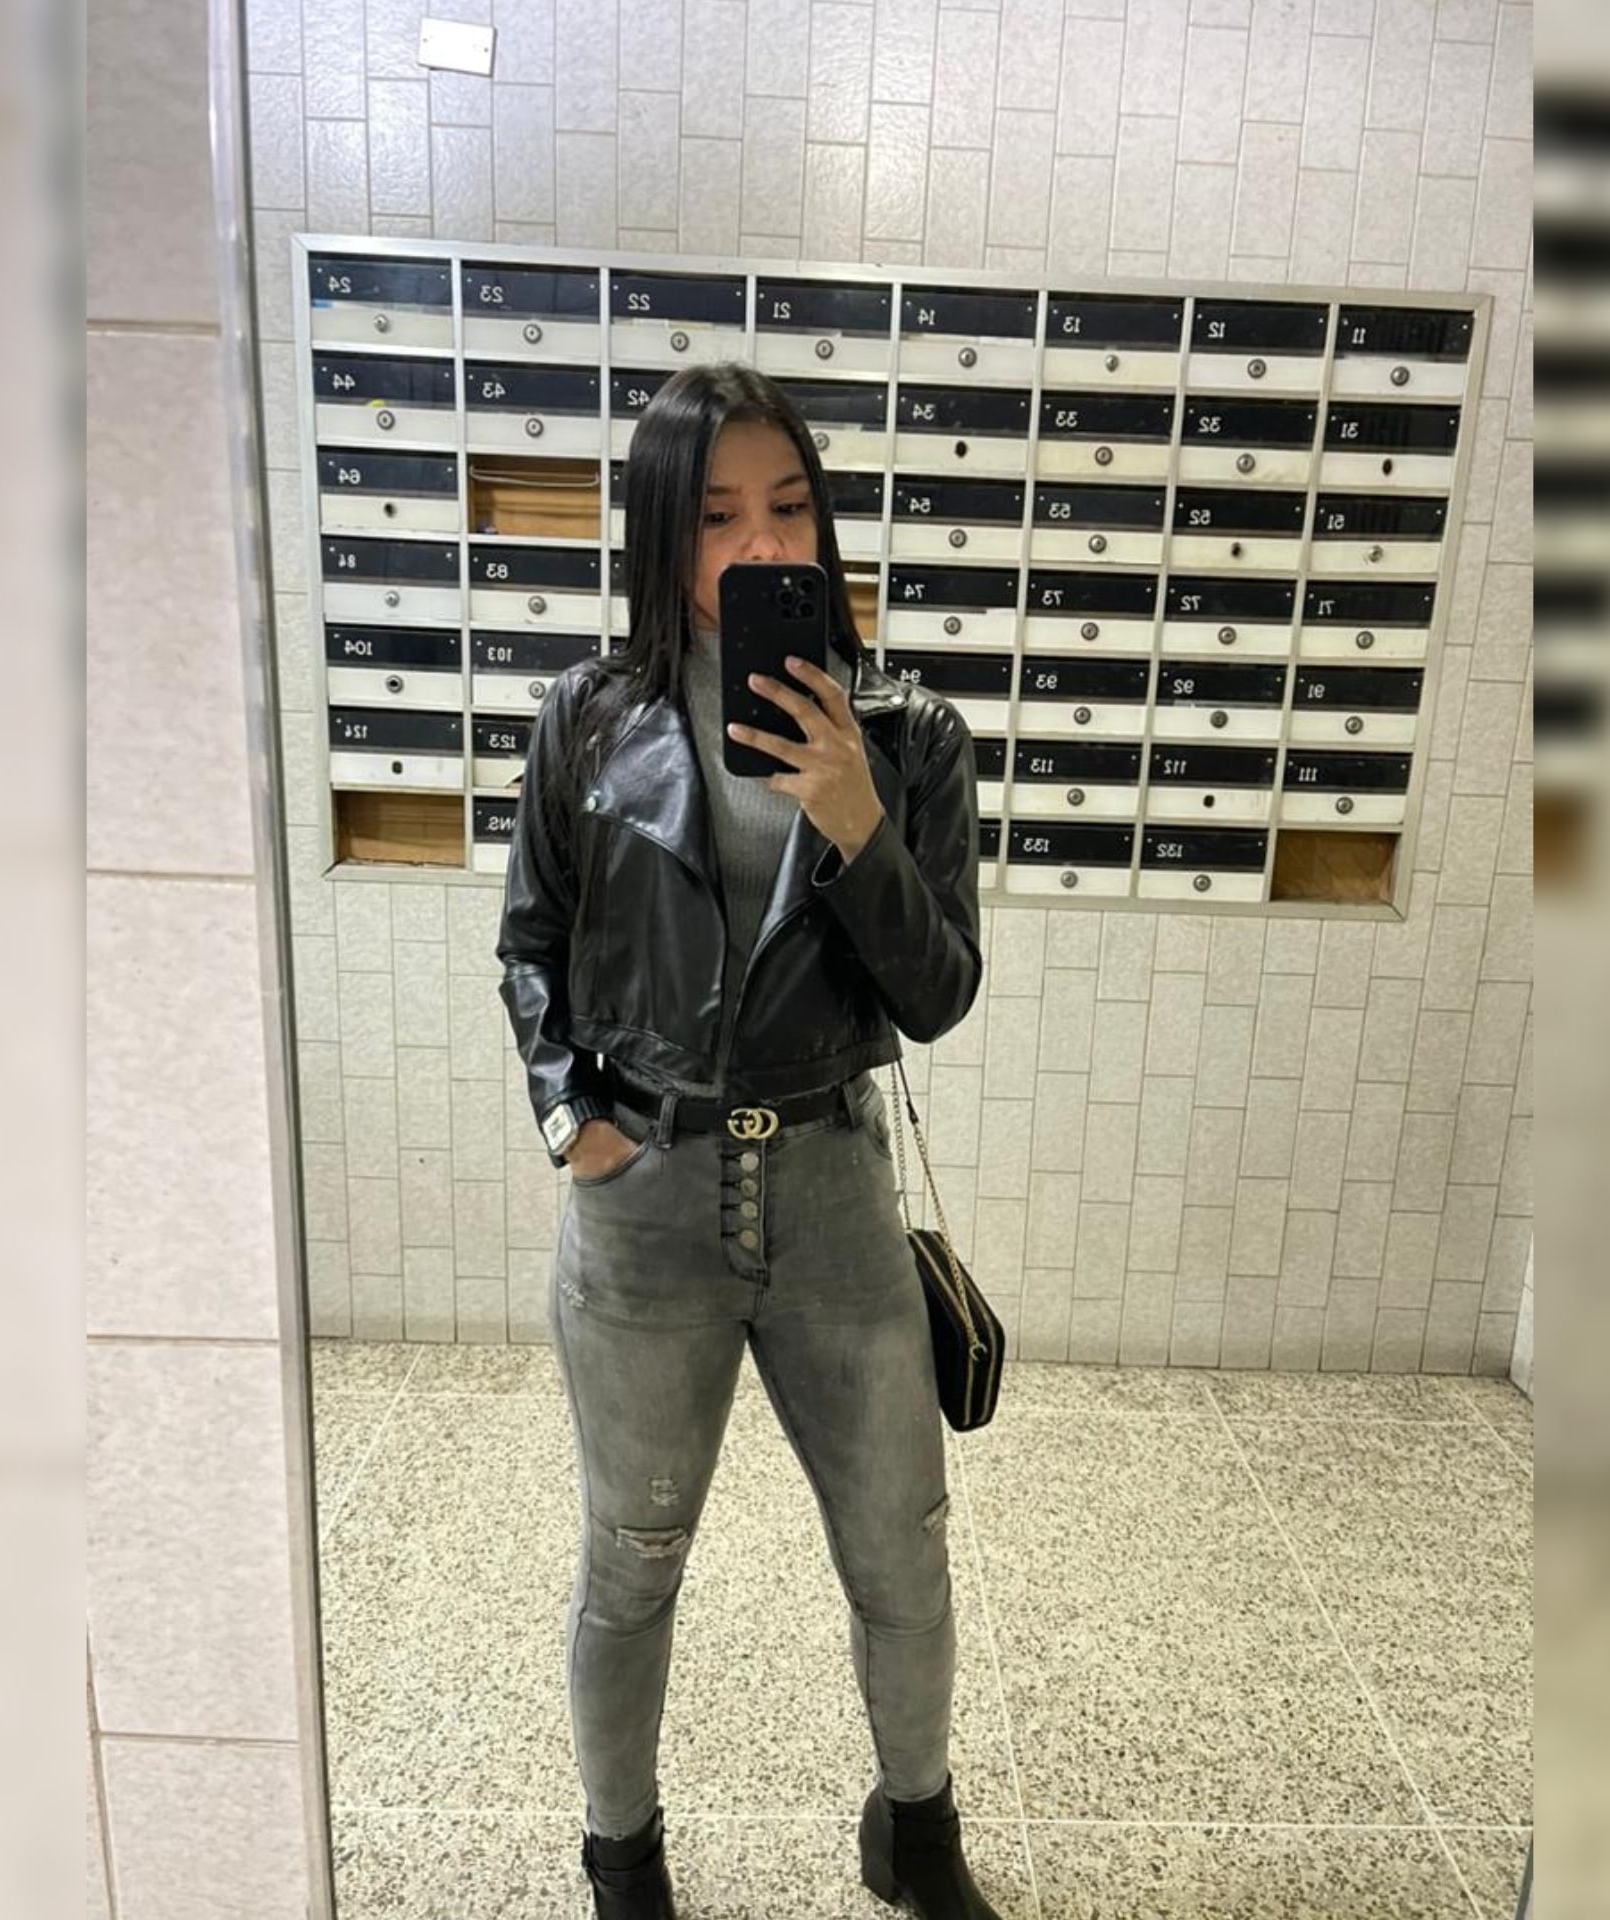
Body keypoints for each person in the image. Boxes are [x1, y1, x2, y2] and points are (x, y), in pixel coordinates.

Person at [496, 362, 999, 1920]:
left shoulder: (909, 733)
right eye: (717, 515)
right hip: (644, 1202)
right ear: (663, 531)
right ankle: (622, 1857)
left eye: (789, 507)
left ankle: (917, 1832)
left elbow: (937, 993)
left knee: (902, 1547)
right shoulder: (588, 723)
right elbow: (532, 944)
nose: (763, 543)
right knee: (633, 1555)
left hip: (836, 1195)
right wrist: (572, 1116)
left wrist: (855, 818)